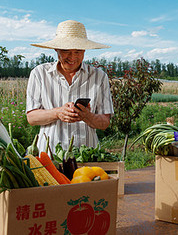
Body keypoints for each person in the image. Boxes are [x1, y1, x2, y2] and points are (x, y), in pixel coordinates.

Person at [26, 20, 114, 153]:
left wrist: (87, 116)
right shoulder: (39, 74)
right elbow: (32, 118)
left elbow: (104, 122)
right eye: (66, 51)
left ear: (85, 50)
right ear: (56, 49)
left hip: (87, 157)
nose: (72, 57)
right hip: (49, 157)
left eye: (78, 51)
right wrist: (57, 112)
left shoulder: (99, 77)